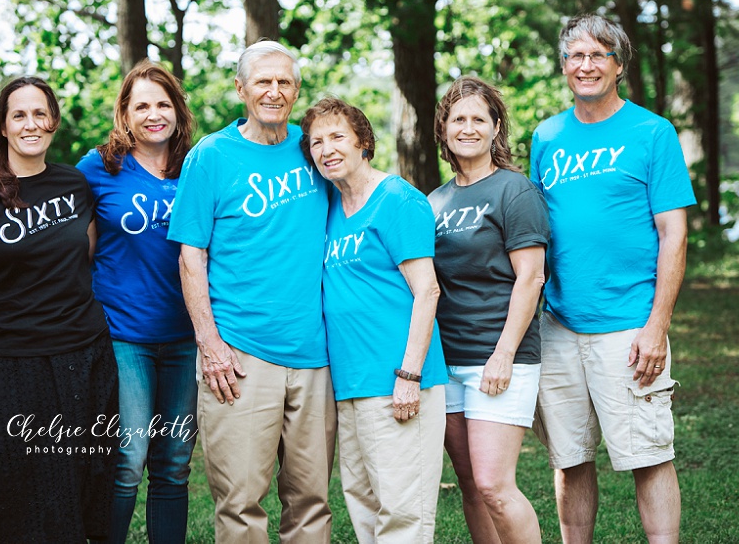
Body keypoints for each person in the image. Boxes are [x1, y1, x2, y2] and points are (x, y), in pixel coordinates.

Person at [530, 14, 695, 544]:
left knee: (648, 456)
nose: (586, 65)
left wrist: (656, 326)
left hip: (628, 326)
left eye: (599, 54)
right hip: (558, 326)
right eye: (576, 56)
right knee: (570, 458)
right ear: (563, 66)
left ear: (618, 65)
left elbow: (674, 233)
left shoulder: (652, 132)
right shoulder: (547, 136)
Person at [166, 41, 336, 543]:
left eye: (284, 82)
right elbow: (190, 256)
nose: (274, 91)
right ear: (241, 89)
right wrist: (211, 345)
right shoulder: (211, 157)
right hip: (239, 355)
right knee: (240, 503)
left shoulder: (315, 149)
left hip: (314, 354)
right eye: (263, 81)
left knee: (311, 501)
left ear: (297, 90)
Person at [0, 76, 118, 543]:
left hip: (84, 357)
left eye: (40, 113)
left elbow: (87, 256)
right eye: (19, 115)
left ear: (54, 122)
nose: (31, 124)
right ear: (2, 125)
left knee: (83, 482)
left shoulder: (74, 184)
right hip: (7, 365)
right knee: (3, 489)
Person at [300, 97, 448, 543]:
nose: (326, 148)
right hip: (350, 384)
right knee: (364, 507)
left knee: (403, 515)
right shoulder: (330, 209)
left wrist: (409, 375)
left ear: (363, 141)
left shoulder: (397, 199)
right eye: (316, 142)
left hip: (397, 381)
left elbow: (428, 290)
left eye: (337, 136)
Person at [77, 60, 197, 544]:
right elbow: (60, 238)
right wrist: (3, 275)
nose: (154, 114)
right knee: (128, 457)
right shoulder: (98, 167)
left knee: (174, 461)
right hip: (123, 334)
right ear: (124, 114)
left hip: (188, 336)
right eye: (141, 105)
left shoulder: (197, 167)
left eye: (163, 104)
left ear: (177, 111)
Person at [428, 77, 550, 544]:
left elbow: (530, 278)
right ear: (444, 129)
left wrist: (502, 354)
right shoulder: (434, 201)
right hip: (447, 360)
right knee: (470, 487)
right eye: (458, 119)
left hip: (500, 358)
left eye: (479, 119)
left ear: (495, 128)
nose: (468, 127)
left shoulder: (514, 191)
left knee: (495, 485)